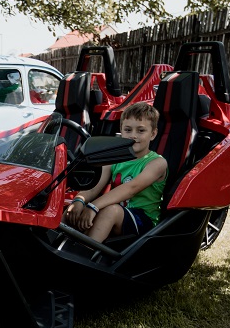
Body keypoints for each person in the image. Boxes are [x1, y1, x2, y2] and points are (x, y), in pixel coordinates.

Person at [63, 102, 167, 243]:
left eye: (141, 131)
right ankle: (55, 244)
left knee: (111, 210)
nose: (133, 136)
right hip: (114, 211)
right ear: (121, 131)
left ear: (153, 134)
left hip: (144, 221)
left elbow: (131, 188)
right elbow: (94, 187)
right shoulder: (115, 158)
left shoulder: (157, 163)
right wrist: (79, 200)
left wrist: (93, 206)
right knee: (72, 208)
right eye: (128, 130)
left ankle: (85, 253)